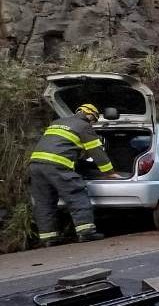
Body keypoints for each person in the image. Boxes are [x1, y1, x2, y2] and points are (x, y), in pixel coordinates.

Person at [29, 103, 119, 246]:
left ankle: (48, 238)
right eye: (94, 120)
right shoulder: (83, 126)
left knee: (44, 202)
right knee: (77, 195)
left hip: (36, 165)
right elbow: (97, 152)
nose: (93, 123)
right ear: (89, 115)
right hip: (57, 165)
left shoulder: (57, 123)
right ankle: (86, 232)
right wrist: (109, 172)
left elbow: (61, 145)